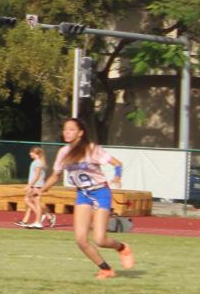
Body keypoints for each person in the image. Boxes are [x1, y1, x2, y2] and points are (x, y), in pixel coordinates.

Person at [38, 117, 134, 280]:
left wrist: (117, 177)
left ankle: (122, 247)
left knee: (100, 239)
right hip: (83, 194)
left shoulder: (91, 149)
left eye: (71, 129)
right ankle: (106, 269)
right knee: (81, 240)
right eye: (65, 129)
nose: (67, 132)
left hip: (100, 192)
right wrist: (40, 191)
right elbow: (56, 176)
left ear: (80, 133)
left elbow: (117, 163)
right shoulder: (63, 152)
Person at [16, 146, 52, 229]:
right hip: (35, 185)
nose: (30, 154)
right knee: (31, 201)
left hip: (37, 185)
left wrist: (30, 185)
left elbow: (37, 175)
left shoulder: (37, 163)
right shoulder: (36, 162)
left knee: (31, 201)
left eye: (31, 152)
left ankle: (39, 220)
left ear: (36, 153)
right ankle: (40, 219)